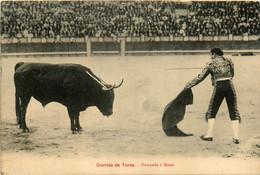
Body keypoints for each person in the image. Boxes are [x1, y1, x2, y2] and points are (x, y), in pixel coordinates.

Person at [184, 48, 241, 144]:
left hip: (219, 87)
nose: (210, 57)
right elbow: (232, 74)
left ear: (213, 54)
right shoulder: (229, 61)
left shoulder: (211, 64)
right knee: (233, 110)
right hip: (230, 86)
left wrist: (188, 85)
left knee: (212, 109)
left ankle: (209, 135)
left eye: (210, 55)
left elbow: (200, 78)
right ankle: (236, 137)